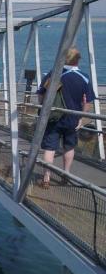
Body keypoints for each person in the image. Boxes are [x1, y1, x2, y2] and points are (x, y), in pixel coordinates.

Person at [37, 47, 95, 188]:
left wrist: (44, 108)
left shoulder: (54, 74)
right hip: (72, 119)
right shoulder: (84, 77)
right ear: (78, 59)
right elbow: (88, 102)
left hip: (53, 117)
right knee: (69, 147)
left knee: (49, 148)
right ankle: (66, 174)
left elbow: (40, 95)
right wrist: (81, 118)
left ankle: (46, 178)